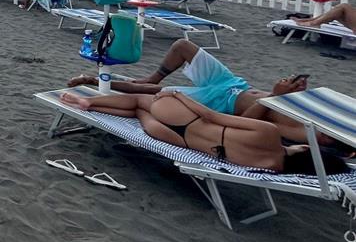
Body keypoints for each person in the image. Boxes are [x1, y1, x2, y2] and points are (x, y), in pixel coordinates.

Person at [66, 38, 338, 148]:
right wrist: (293, 91)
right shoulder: (315, 112)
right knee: (183, 46)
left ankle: (93, 81)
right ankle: (151, 76)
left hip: (219, 104)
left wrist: (276, 96)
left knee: (155, 93)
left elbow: (253, 123)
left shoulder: (308, 133)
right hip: (233, 83)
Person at [59, 90, 348, 174]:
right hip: (174, 138)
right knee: (138, 112)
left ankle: (90, 102)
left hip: (189, 122)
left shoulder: (268, 133)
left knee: (143, 101)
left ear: (308, 150)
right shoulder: (270, 166)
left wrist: (176, 95)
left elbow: (210, 115)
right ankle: (93, 106)